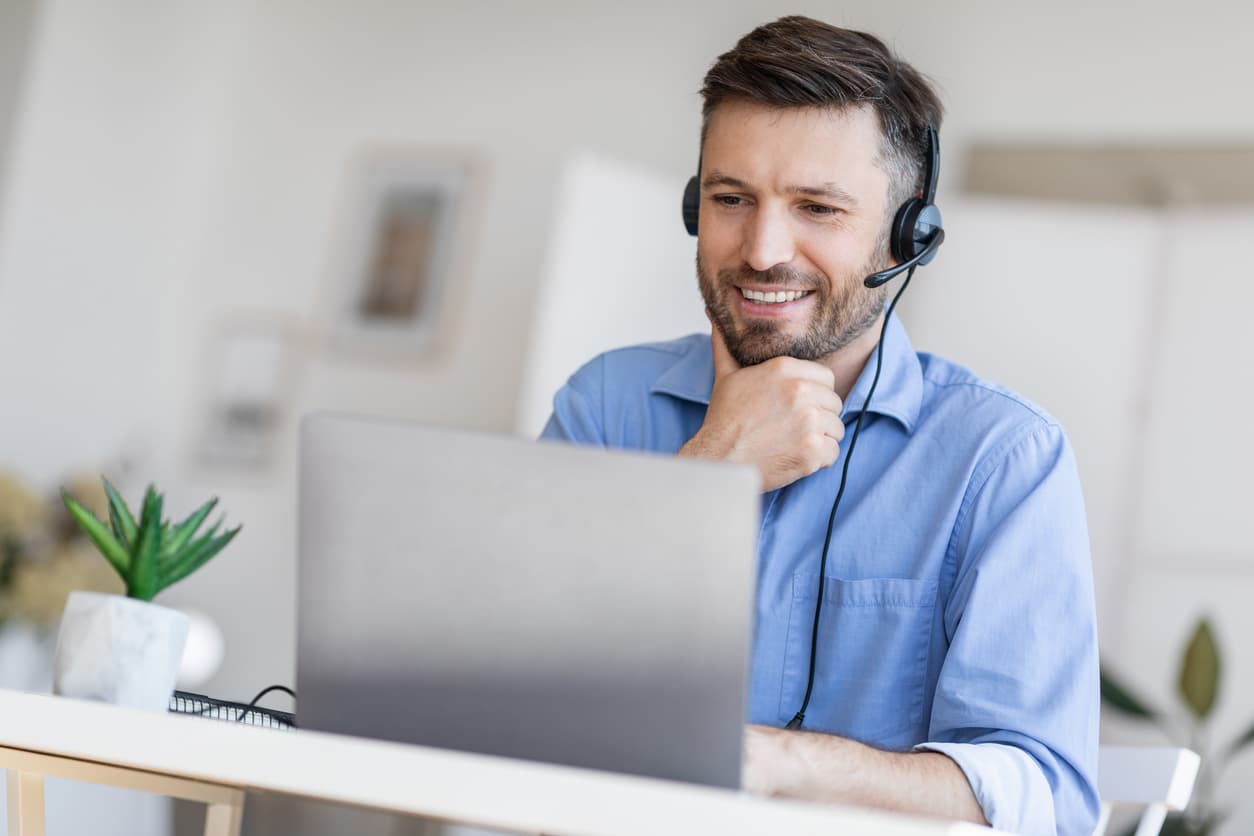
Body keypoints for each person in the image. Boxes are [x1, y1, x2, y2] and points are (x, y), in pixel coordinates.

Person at [541, 16, 1098, 835]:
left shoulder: (1002, 458)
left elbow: (1041, 796)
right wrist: (710, 474)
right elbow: (503, 685)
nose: (764, 250)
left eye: (818, 207)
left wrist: (775, 765)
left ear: (909, 237)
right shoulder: (605, 404)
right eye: (732, 199)